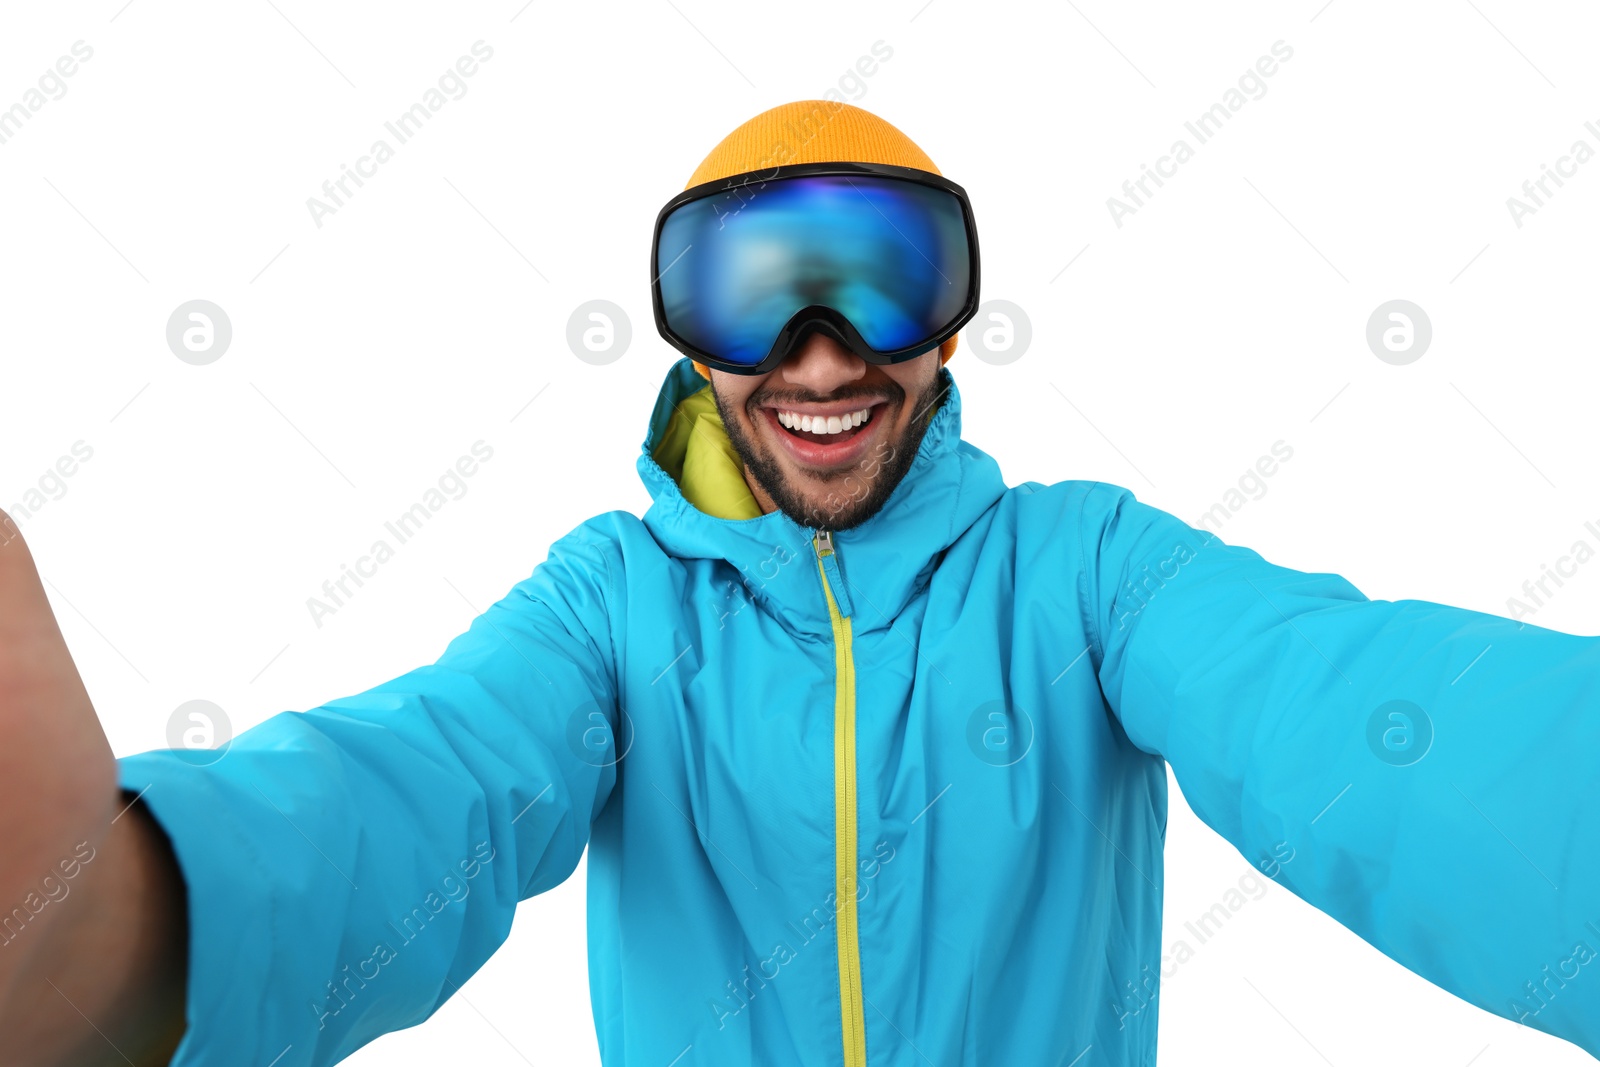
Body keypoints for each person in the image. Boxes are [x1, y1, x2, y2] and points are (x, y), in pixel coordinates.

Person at [1, 99, 1597, 1067]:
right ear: (692, 335)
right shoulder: (611, 613)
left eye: (881, 277)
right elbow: (431, 785)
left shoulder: (1085, 574)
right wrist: (113, 933)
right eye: (754, 287)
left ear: (951, 321)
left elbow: (1352, 710)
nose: (820, 351)